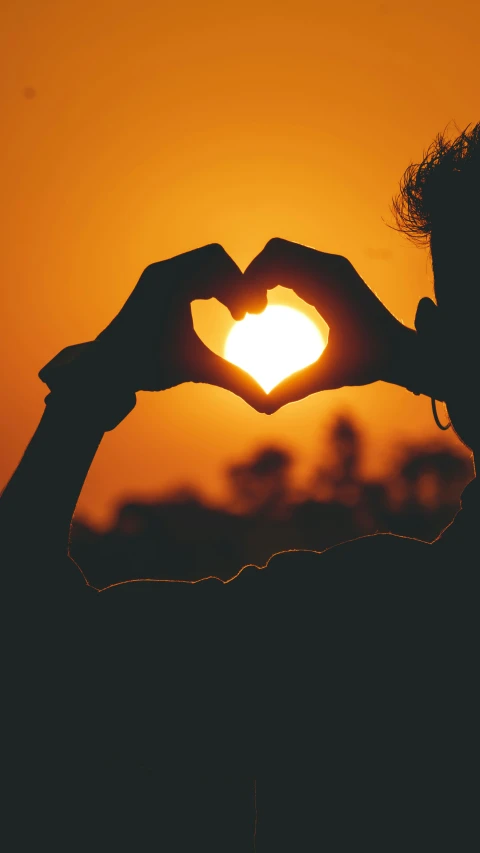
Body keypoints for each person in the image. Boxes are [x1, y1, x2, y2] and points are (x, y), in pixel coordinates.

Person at [1, 123, 478, 850]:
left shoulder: (356, 631)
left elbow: (31, 647)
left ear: (442, 337)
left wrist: (94, 385)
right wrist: (424, 361)